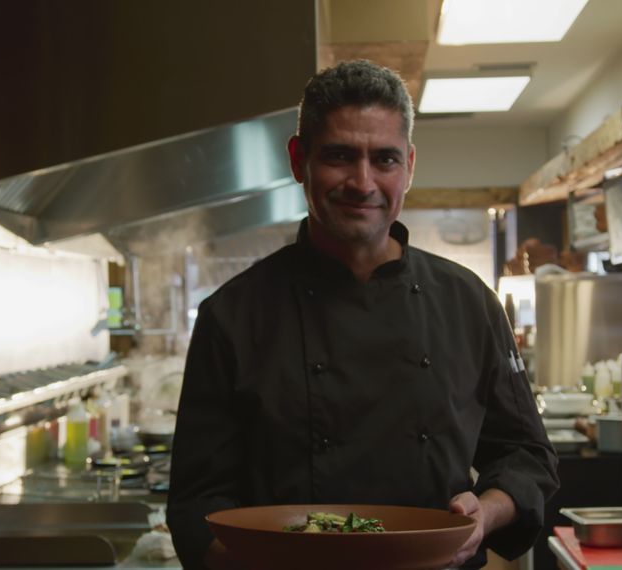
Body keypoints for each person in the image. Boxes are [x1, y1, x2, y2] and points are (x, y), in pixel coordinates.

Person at [167, 59, 559, 570]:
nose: (363, 181)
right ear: (297, 158)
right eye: (340, 156)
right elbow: (197, 502)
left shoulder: (468, 301)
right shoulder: (232, 316)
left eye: (385, 159)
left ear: (410, 166)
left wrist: (484, 512)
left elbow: (526, 456)